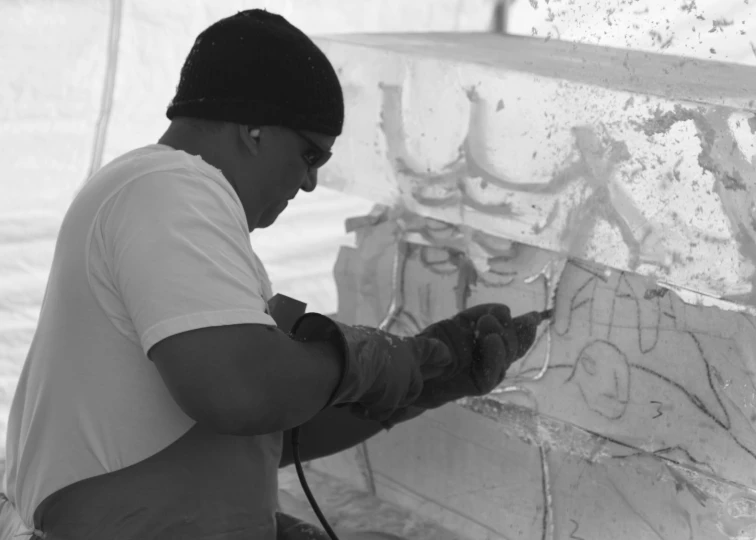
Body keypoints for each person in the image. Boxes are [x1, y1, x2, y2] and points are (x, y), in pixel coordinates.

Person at [0, 9, 539, 540]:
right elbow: (240, 394)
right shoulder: (168, 189)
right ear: (254, 129)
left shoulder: (170, 207)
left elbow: (268, 426)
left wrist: (429, 378)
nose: (308, 183)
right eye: (309, 156)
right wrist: (361, 359)